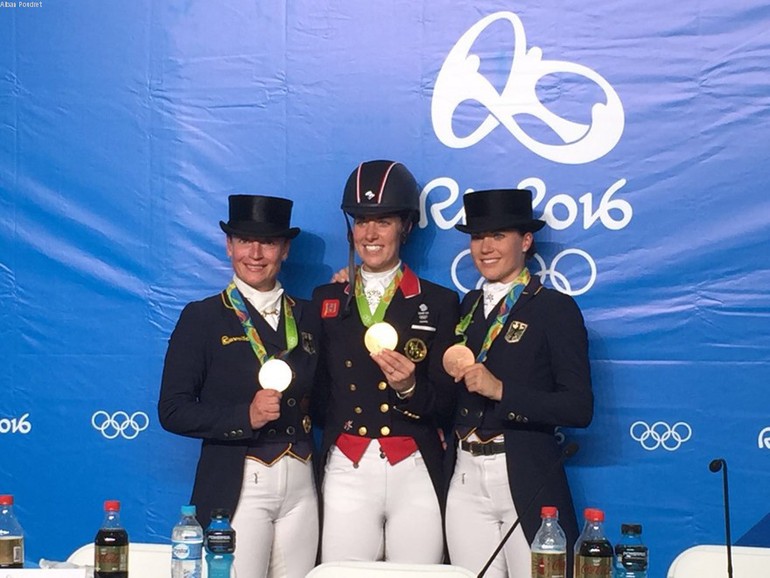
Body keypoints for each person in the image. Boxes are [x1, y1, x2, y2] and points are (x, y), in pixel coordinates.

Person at [158, 195, 321, 578]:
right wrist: (243, 416)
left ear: (285, 249)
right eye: (245, 241)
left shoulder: (310, 315)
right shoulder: (202, 317)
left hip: (302, 483)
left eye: (267, 242)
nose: (256, 253)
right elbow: (172, 409)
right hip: (240, 480)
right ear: (229, 246)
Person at [312, 160, 459, 563]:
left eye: (383, 221)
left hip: (414, 464)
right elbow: (316, 390)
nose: (370, 234)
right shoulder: (327, 298)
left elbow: (449, 403)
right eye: (361, 221)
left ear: (405, 227)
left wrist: (411, 390)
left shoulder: (439, 302)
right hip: (347, 463)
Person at [444, 189, 593, 578]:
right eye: (478, 237)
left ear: (526, 241)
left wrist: (502, 392)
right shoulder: (465, 307)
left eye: (498, 236)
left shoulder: (554, 308)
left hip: (522, 471)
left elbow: (579, 407)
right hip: (463, 475)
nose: (485, 247)